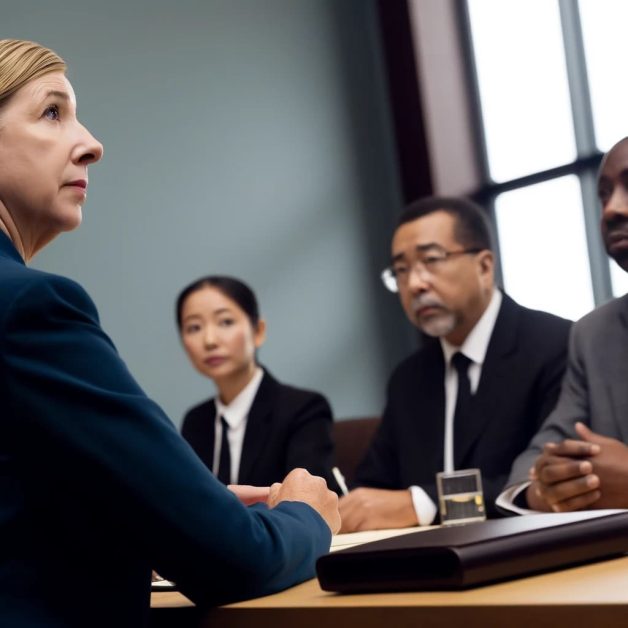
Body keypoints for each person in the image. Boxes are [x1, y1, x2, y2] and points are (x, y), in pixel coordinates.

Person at [0, 38, 339, 628]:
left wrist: (164, 509)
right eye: (53, 112)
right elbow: (238, 560)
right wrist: (308, 516)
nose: (93, 144)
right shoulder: (31, 307)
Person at [338, 196, 571, 532]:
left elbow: (546, 481)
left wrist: (425, 503)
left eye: (431, 260)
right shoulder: (408, 379)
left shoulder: (555, 345)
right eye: (401, 271)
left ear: (485, 266)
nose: (415, 283)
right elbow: (375, 486)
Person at [500, 136, 628, 514]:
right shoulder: (593, 334)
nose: (611, 210)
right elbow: (534, 466)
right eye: (604, 194)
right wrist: (550, 491)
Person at [177, 275, 338, 490]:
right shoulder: (196, 422)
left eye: (226, 322)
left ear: (258, 331)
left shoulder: (303, 409)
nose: (210, 340)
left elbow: (307, 502)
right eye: (194, 327)